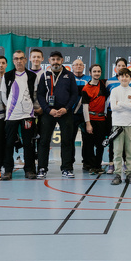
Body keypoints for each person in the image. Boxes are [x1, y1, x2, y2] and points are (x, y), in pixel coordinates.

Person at [36, 51, 79, 179]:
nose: (55, 62)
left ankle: (67, 168)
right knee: (44, 141)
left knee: (67, 141)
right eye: (53, 59)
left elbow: (74, 95)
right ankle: (42, 168)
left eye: (58, 59)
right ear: (49, 60)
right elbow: (40, 95)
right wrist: (48, 110)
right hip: (49, 112)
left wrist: (66, 109)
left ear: (62, 60)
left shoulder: (69, 75)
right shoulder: (44, 75)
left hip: (65, 113)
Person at [1, 50, 38, 180]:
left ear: (26, 60)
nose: (19, 61)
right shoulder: (7, 76)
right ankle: (8, 170)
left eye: (21, 58)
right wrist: (12, 108)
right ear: (13, 60)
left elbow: (34, 94)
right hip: (11, 116)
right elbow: (4, 95)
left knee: (28, 143)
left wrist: (30, 108)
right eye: (16, 58)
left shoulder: (32, 76)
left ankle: (29, 170)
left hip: (27, 115)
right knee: (9, 143)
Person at [108, 68, 131, 185]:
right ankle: (117, 174)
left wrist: (120, 103)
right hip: (117, 124)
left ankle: (129, 173)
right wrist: (127, 105)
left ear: (130, 78)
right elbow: (113, 108)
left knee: (130, 151)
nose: (124, 78)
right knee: (117, 150)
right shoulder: (114, 91)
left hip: (130, 124)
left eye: (127, 76)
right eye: (122, 76)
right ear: (118, 78)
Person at [82, 64, 109, 175]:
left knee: (100, 145)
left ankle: (98, 166)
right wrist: (88, 123)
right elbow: (85, 107)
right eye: (94, 71)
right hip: (91, 119)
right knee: (88, 145)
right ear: (90, 73)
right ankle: (91, 166)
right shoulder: (86, 89)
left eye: (98, 71)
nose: (97, 73)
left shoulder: (104, 84)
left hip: (102, 120)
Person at [70, 59, 91, 171]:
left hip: (85, 114)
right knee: (70, 139)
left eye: (80, 64)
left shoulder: (89, 79)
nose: (78, 66)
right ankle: (70, 163)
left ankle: (87, 162)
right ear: (72, 67)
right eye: (76, 64)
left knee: (87, 139)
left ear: (84, 67)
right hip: (72, 114)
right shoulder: (68, 78)